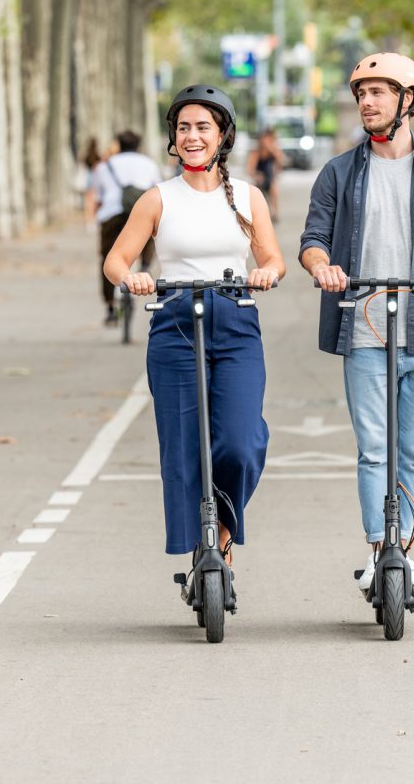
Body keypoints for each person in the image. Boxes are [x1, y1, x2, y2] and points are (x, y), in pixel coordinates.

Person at [299, 52, 414, 591]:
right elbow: (313, 239)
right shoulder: (338, 172)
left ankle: (403, 547)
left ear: (407, 101)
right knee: (374, 448)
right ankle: (379, 548)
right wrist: (325, 268)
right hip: (362, 325)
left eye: (378, 92)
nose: (367, 102)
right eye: (361, 93)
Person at [103, 84, 285, 569]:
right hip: (175, 321)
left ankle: (223, 533)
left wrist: (266, 271)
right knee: (183, 447)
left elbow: (272, 257)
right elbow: (116, 261)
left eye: (203, 127)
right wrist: (133, 277)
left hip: (235, 319)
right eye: (183, 128)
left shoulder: (248, 197)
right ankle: (201, 549)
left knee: (240, 441)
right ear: (173, 137)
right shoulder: (157, 199)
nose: (192, 136)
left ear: (222, 134)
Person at [91, 130, 161, 326]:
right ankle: (146, 265)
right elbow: (158, 191)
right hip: (140, 211)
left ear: (119, 145)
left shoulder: (105, 166)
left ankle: (111, 308)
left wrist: (97, 218)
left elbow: (98, 197)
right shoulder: (148, 164)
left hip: (112, 215)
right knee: (150, 236)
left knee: (108, 258)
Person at [247, 127, 285, 221]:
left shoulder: (274, 151)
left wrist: (272, 150)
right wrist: (256, 175)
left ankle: (275, 212)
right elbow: (250, 170)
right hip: (260, 178)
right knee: (253, 190)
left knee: (274, 188)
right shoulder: (256, 153)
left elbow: (281, 163)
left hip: (270, 178)